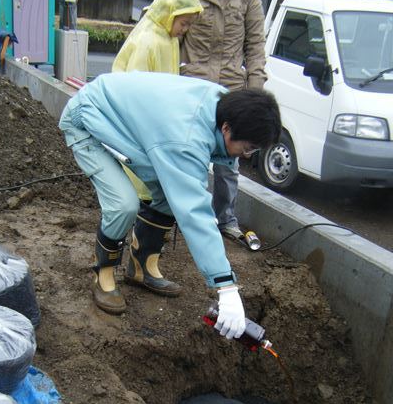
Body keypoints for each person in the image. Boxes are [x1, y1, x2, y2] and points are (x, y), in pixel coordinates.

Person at [59, 71, 281, 340]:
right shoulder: (186, 137)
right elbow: (195, 212)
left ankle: (141, 268)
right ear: (226, 129)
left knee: (167, 194)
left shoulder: (224, 107)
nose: (246, 156)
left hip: (126, 122)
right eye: (247, 148)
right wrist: (226, 285)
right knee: (123, 205)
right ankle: (103, 276)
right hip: (89, 119)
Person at [180, 0, 267, 242]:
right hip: (193, 88)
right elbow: (171, 36)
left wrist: (255, 97)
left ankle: (224, 218)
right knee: (192, 157)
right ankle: (188, 217)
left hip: (232, 91)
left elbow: (256, 48)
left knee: (228, 163)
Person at [112, 0, 203, 201]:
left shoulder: (168, 38)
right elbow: (134, 94)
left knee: (149, 189)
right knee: (136, 189)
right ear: (169, 12)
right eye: (184, 23)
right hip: (140, 129)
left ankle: (140, 231)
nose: (185, 29)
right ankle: (133, 232)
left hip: (156, 127)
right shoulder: (149, 41)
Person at [112, 0, 203, 75]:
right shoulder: (147, 42)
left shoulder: (171, 39)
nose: (185, 29)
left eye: (189, 25)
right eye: (183, 23)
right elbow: (136, 85)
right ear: (170, 14)